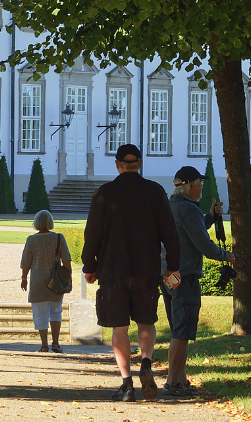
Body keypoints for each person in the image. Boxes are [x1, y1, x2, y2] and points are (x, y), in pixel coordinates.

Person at [83, 144, 180, 402]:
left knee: (119, 327)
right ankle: (146, 363)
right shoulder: (155, 192)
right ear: (140, 164)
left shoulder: (104, 194)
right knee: (146, 321)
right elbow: (169, 233)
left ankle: (126, 384)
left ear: (117, 165)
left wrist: (89, 266)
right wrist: (173, 264)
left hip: (113, 270)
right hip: (146, 269)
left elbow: (92, 234)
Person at [163, 165, 236, 397]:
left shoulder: (171, 205)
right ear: (191, 185)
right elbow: (203, 244)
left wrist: (211, 217)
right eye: (200, 183)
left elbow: (191, 231)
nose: (202, 186)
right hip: (186, 276)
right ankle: (172, 383)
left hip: (169, 275)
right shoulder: (188, 209)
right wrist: (226, 256)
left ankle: (180, 379)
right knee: (182, 332)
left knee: (178, 329)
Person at [20, 210, 72, 353]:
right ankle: (55, 343)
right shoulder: (59, 238)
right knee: (56, 311)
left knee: (39, 313)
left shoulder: (32, 239)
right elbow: (66, 261)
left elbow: (26, 262)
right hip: (56, 281)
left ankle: (44, 344)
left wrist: (24, 278)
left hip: (37, 281)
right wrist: (69, 279)